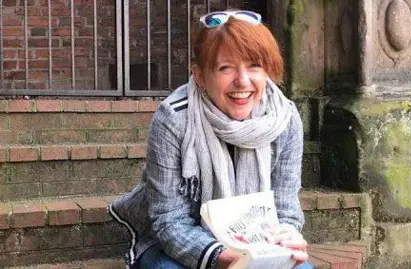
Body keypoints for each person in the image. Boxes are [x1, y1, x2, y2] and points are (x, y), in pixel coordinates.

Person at [109, 10, 314, 269]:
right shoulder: (174, 119)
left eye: (254, 65)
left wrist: (287, 237)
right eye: (225, 68)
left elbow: (285, 208)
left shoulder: (284, 119)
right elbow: (169, 219)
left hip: (257, 242)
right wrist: (222, 257)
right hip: (177, 240)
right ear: (200, 76)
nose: (243, 81)